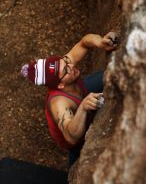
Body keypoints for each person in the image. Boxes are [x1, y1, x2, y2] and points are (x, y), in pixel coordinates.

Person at [21, 32, 117, 166]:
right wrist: (83, 107)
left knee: (112, 72)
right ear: (60, 85)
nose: (71, 66)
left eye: (66, 61)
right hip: (76, 137)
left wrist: (100, 42)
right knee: (80, 155)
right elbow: (71, 136)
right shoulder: (59, 104)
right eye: (66, 70)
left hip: (81, 91)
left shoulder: (64, 67)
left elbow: (84, 42)